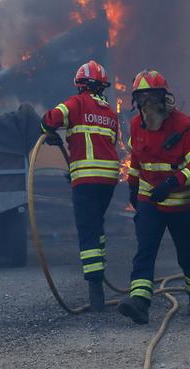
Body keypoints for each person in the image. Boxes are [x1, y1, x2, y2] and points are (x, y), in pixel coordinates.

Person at [117, 70, 190, 324]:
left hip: (182, 203)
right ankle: (140, 303)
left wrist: (173, 182)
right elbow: (136, 159)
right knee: (145, 250)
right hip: (150, 201)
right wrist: (133, 187)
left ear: (163, 98)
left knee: (188, 252)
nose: (146, 105)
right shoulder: (136, 124)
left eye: (151, 97)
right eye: (141, 99)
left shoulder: (184, 125)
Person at [41, 60, 120, 311]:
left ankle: (95, 291)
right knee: (97, 225)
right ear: (103, 87)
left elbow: (51, 118)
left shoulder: (76, 103)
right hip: (108, 179)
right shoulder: (110, 112)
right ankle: (101, 274)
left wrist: (48, 130)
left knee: (87, 230)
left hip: (86, 179)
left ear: (80, 86)